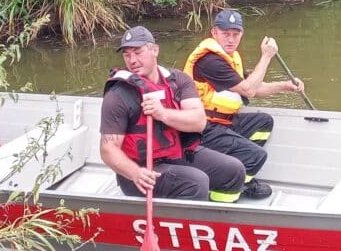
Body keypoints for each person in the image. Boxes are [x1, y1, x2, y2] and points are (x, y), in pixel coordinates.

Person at [100, 26, 245, 202]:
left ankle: (219, 217)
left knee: (234, 170)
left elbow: (198, 121)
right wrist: (135, 173)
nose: (132, 60)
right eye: (127, 54)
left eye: (138, 52)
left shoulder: (178, 80)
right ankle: (186, 223)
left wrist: (162, 114)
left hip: (176, 154)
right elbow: (108, 149)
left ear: (155, 50)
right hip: (140, 171)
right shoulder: (118, 95)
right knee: (196, 182)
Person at [183, 9, 305, 199]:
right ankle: (223, 194)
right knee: (256, 155)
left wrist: (286, 86)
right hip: (201, 129)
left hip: (222, 123)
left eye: (235, 34)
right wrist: (265, 57)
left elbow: (254, 87)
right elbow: (248, 90)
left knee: (264, 122)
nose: (231, 39)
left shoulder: (230, 58)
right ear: (214, 33)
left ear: (241, 34)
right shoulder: (210, 61)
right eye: (225, 34)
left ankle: (241, 177)